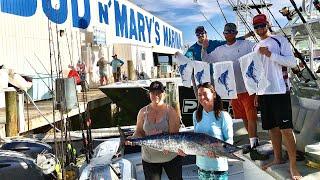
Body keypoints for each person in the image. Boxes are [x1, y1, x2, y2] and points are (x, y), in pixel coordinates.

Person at [201, 23, 269, 161]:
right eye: (227, 32)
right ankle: (251, 144)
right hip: (233, 91)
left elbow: (259, 52)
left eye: (232, 31)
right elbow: (206, 59)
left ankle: (254, 145)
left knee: (251, 117)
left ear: (236, 33)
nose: (229, 34)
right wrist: (204, 47)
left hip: (249, 89)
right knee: (243, 117)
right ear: (224, 34)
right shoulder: (219, 50)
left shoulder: (246, 45)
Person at [252, 14, 301, 179]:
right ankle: (278, 158)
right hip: (264, 93)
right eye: (257, 27)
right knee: (272, 128)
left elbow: (293, 62)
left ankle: (293, 166)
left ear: (268, 24)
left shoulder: (280, 40)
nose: (260, 29)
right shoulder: (255, 47)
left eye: (262, 25)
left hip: (280, 91)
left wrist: (270, 55)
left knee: (286, 129)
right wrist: (256, 93)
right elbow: (256, 72)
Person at [127, 81, 182, 180]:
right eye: (153, 93)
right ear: (149, 94)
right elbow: (139, 131)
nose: (156, 95)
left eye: (159, 93)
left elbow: (174, 136)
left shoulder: (171, 112)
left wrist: (168, 146)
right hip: (149, 159)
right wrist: (133, 138)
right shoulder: (143, 112)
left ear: (164, 94)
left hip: (170, 157)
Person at [191, 82, 233, 180]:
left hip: (219, 168)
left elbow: (229, 141)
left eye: (205, 94)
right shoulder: (195, 115)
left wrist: (217, 150)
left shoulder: (223, 116)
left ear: (213, 94)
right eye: (199, 95)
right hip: (201, 167)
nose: (202, 97)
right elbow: (194, 140)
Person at [184, 26, 253, 62]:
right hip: (200, 76)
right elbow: (185, 58)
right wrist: (177, 55)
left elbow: (228, 41)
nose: (200, 35)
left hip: (213, 74)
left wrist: (245, 36)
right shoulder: (192, 48)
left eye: (202, 33)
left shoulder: (214, 43)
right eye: (198, 34)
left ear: (206, 33)